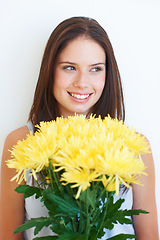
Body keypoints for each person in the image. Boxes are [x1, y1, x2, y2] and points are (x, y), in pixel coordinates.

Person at [0, 16, 159, 240]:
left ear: (107, 75)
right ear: (50, 71)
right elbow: (8, 235)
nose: (82, 82)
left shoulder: (134, 147)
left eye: (95, 69)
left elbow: (149, 236)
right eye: (69, 67)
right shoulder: (21, 142)